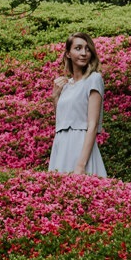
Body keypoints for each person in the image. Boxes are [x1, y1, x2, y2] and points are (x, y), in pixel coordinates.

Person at [48, 34, 108, 177]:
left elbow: (92, 125)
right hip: (61, 146)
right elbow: (62, 121)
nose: (83, 53)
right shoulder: (66, 85)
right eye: (78, 48)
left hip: (80, 147)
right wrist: (55, 97)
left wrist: (81, 166)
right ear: (68, 53)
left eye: (87, 49)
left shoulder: (94, 79)